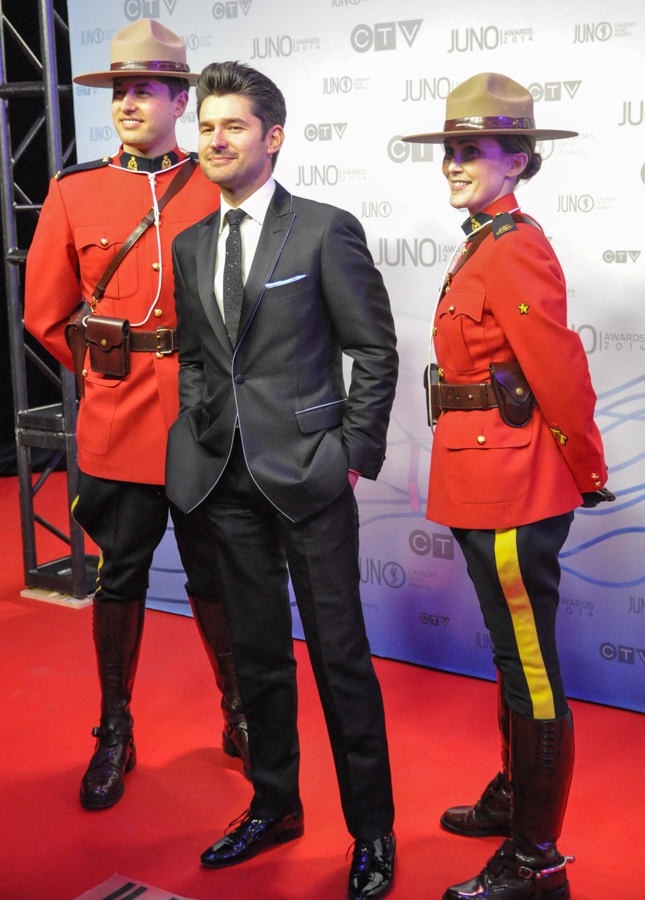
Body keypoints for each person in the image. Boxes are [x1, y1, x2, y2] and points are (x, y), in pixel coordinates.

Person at [166, 61, 398, 900]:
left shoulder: (322, 230)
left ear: (273, 137)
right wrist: (201, 431)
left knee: (341, 660)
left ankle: (372, 831)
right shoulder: (191, 244)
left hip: (308, 477)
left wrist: (348, 453)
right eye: (206, 127)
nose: (215, 140)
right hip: (223, 480)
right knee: (258, 657)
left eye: (232, 126)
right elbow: (198, 358)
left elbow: (373, 349)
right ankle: (274, 805)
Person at [24, 20, 249, 812]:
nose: (127, 102)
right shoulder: (73, 191)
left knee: (213, 574)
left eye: (144, 89)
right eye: (118, 89)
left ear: (180, 100)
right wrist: (107, 360)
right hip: (118, 420)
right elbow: (45, 312)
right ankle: (114, 728)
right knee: (119, 576)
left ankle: (238, 710)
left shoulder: (214, 187)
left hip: (200, 420)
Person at [402, 72, 612, 900]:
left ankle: (537, 857)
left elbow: (558, 370)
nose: (453, 162)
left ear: (517, 159)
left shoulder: (514, 242)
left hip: (514, 485)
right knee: (507, 652)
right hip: (478, 474)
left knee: (528, 663)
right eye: (449, 149)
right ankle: (515, 795)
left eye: (471, 150)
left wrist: (584, 468)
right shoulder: (481, 237)